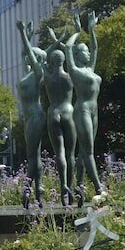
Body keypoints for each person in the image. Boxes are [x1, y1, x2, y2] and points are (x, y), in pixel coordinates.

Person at [59, 12, 104, 205]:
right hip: (83, 110)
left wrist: (91, 30)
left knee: (83, 153)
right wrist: (78, 32)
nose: (88, 53)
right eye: (84, 51)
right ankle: (99, 188)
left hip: (94, 111)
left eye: (87, 51)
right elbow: (68, 47)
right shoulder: (75, 71)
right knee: (88, 152)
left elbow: (95, 47)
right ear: (78, 56)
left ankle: (78, 189)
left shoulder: (90, 70)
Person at [16, 20, 47, 208]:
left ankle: (29, 188)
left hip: (36, 115)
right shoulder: (27, 74)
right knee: (34, 156)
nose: (27, 58)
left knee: (33, 157)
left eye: (32, 56)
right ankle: (38, 190)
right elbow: (23, 54)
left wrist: (22, 34)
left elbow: (27, 53)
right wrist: (28, 35)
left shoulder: (38, 73)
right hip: (29, 118)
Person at [45, 28, 78, 206]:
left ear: (51, 61)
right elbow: (69, 50)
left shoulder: (47, 76)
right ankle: (70, 188)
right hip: (68, 111)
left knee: (60, 153)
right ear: (64, 60)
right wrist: (64, 40)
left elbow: (43, 56)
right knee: (71, 154)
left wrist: (54, 41)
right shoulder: (70, 75)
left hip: (53, 113)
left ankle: (63, 184)